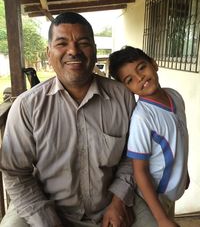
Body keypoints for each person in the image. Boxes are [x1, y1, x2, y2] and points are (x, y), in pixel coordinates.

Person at [0, 13, 158, 227]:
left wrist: (119, 200)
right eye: (62, 43)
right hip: (46, 207)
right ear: (49, 53)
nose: (73, 51)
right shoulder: (28, 106)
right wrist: (46, 220)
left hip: (109, 203)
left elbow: (131, 156)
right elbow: (15, 172)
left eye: (83, 43)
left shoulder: (122, 97)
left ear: (94, 50)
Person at [109, 46, 189, 227]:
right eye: (130, 80)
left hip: (172, 191)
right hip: (153, 196)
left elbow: (179, 139)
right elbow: (140, 171)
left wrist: (184, 172)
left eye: (142, 68)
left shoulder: (175, 96)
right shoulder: (142, 118)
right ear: (127, 88)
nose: (140, 78)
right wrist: (161, 219)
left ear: (154, 64)